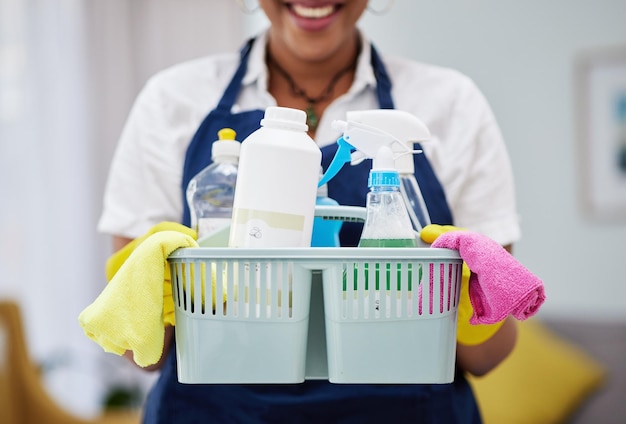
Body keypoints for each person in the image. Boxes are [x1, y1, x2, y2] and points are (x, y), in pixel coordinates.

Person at [98, 1, 520, 422]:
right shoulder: (173, 100)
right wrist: (156, 294)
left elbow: (486, 357)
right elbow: (142, 352)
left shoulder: (449, 104)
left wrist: (464, 298)